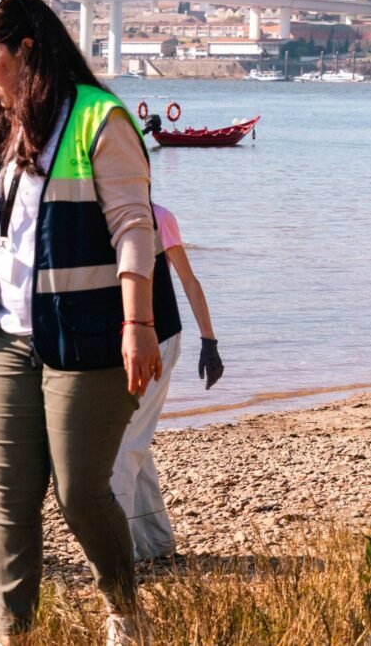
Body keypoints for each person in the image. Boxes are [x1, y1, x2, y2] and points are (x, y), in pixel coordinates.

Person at [0, 0, 176, 645]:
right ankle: (14, 635)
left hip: (90, 340)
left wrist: (137, 326)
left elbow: (134, 229)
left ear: (25, 50)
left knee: (81, 491)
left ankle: (124, 611)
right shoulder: (2, 127)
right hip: (7, 340)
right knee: (9, 500)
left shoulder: (99, 119)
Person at [111, 203, 224, 563]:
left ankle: (119, 557)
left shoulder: (160, 217)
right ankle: (157, 546)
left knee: (122, 450)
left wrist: (209, 342)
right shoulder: (97, 214)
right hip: (121, 346)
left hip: (160, 342)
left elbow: (188, 279)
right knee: (134, 445)